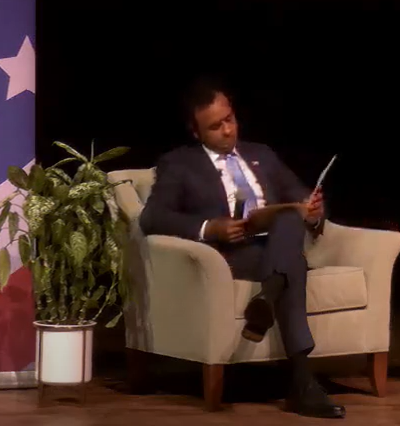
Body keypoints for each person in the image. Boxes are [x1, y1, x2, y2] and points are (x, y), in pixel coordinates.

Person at [138, 78, 345, 419]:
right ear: (196, 132)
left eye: (229, 119)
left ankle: (268, 298)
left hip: (277, 246)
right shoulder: (179, 163)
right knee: (294, 260)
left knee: (291, 220)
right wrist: (210, 228)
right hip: (232, 254)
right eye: (215, 126)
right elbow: (153, 218)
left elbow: (301, 197)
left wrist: (312, 210)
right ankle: (303, 383)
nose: (227, 130)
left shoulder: (261, 154)